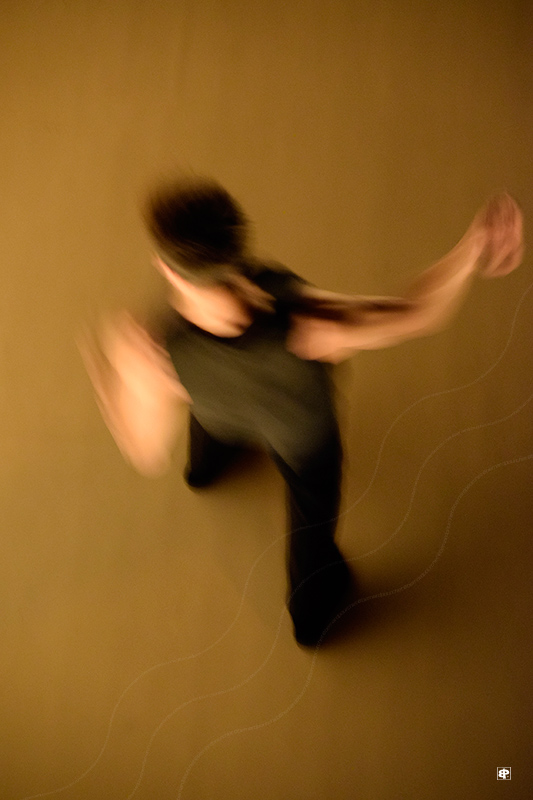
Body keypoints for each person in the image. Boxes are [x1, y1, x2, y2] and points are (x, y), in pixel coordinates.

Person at [80, 178, 524, 647]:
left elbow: (145, 452)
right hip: (304, 441)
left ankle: (206, 472)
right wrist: (472, 249)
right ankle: (311, 619)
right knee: (311, 533)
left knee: (210, 436)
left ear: (169, 271)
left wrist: (113, 379)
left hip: (216, 415)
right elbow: (415, 312)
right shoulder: (307, 322)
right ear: (236, 247)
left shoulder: (157, 349)